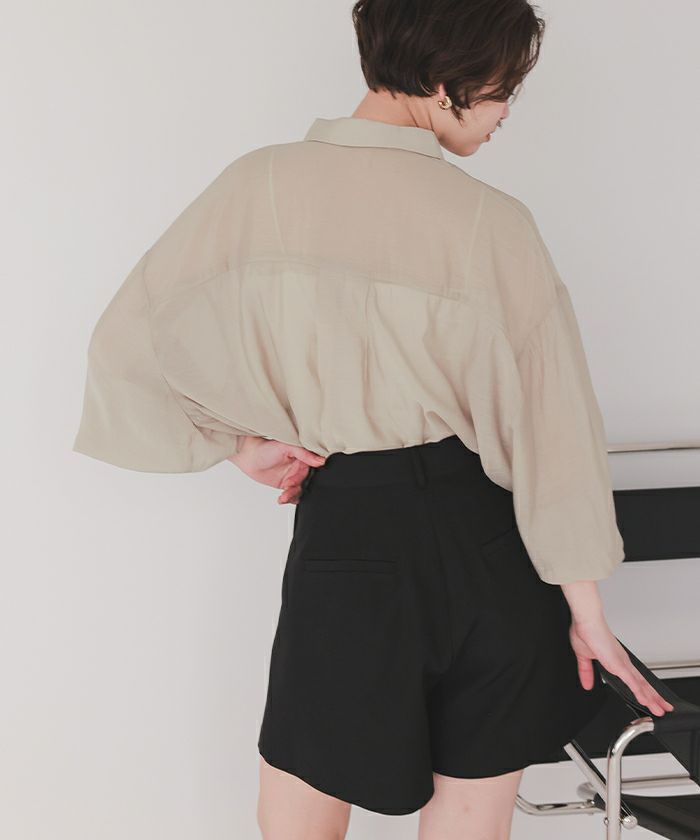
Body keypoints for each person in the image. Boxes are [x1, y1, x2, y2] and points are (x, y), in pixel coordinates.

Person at [72, 0, 674, 837]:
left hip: (350, 539)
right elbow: (552, 429)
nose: (506, 111)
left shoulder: (257, 187)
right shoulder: (492, 222)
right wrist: (588, 613)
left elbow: (129, 346)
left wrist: (239, 445)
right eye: (503, 88)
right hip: (491, 549)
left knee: (301, 818)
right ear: (446, 82)